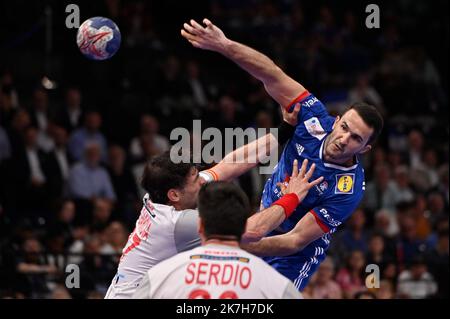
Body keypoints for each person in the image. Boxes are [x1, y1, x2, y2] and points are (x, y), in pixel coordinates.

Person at [181, 18, 383, 290]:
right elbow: (271, 74)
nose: (344, 139)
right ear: (336, 121)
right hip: (261, 221)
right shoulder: (314, 118)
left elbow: (295, 241)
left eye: (356, 138)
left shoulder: (348, 188)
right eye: (344, 127)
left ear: (365, 149)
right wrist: (224, 45)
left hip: (292, 257)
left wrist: (243, 244)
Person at [105, 109, 323, 298]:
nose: (203, 180)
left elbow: (229, 165)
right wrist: (292, 196)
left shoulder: (160, 195)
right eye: (196, 179)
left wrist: (284, 129)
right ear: (174, 195)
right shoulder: (175, 223)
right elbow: (254, 230)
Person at [133, 181, 302, 299]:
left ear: (200, 226)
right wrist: (293, 197)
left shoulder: (159, 277)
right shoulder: (276, 284)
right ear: (243, 226)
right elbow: (296, 241)